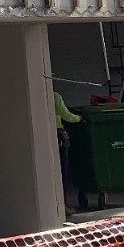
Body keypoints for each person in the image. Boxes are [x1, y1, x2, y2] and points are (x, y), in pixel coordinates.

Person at [54, 88, 81, 216]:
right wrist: (79, 118)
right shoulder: (55, 96)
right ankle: (63, 205)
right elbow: (67, 116)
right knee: (62, 172)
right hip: (59, 135)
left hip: (45, 135)